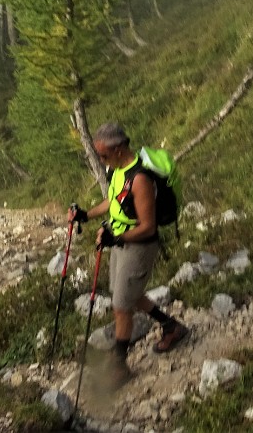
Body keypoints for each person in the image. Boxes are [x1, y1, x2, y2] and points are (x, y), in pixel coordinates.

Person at [69, 122, 189, 386]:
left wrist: (116, 238)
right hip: (120, 242)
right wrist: (86, 215)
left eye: (103, 155)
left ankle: (119, 366)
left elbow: (148, 227)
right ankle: (171, 327)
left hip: (139, 247)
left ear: (119, 149)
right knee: (127, 296)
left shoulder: (141, 179)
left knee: (121, 307)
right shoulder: (117, 170)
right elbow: (114, 200)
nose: (101, 160)